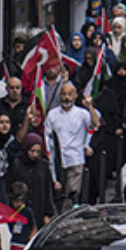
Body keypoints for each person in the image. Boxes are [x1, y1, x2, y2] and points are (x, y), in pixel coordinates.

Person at [45, 83, 101, 211]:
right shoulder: (53, 114)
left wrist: (90, 106)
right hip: (58, 160)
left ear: (75, 96)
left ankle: (66, 218)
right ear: (60, 95)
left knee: (72, 194)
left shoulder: (82, 113)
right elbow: (47, 136)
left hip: (75, 159)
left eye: (70, 95)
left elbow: (95, 124)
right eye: (64, 94)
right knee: (58, 193)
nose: (67, 98)